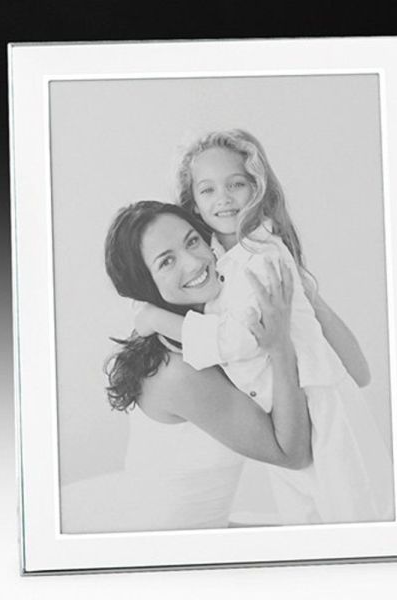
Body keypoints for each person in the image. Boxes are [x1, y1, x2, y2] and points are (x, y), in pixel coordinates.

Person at [135, 129, 394, 524]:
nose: (223, 198)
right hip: (283, 410)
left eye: (236, 184)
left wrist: (159, 320)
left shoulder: (262, 256)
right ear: (194, 205)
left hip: (318, 403)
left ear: (256, 188)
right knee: (303, 519)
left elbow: (242, 340)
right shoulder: (223, 262)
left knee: (352, 513)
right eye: (208, 190)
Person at [103, 200, 311, 531]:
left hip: (206, 530)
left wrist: (301, 290)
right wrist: (280, 347)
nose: (194, 261)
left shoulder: (214, 329)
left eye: (192, 241)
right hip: (169, 545)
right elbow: (293, 453)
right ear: (145, 285)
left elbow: (358, 373)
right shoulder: (177, 371)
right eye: (167, 261)